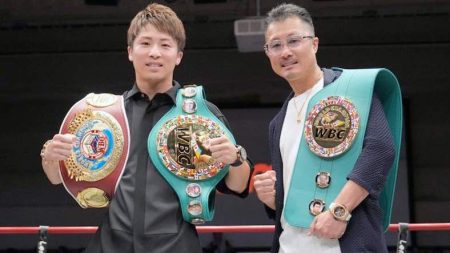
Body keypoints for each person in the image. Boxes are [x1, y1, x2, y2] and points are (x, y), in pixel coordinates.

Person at [40, 3, 252, 252]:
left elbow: (237, 185)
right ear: (130, 51)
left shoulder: (202, 114)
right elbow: (57, 177)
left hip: (175, 245)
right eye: (145, 43)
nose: (154, 53)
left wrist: (235, 158)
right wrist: (51, 157)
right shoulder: (105, 115)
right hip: (110, 244)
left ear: (178, 55)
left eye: (165, 45)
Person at [253, 3, 400, 253]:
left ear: (315, 44)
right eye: (275, 45)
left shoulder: (354, 90)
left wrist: (340, 211)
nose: (285, 52)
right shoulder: (277, 122)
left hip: (347, 244)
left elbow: (380, 149)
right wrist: (273, 198)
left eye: (294, 40)